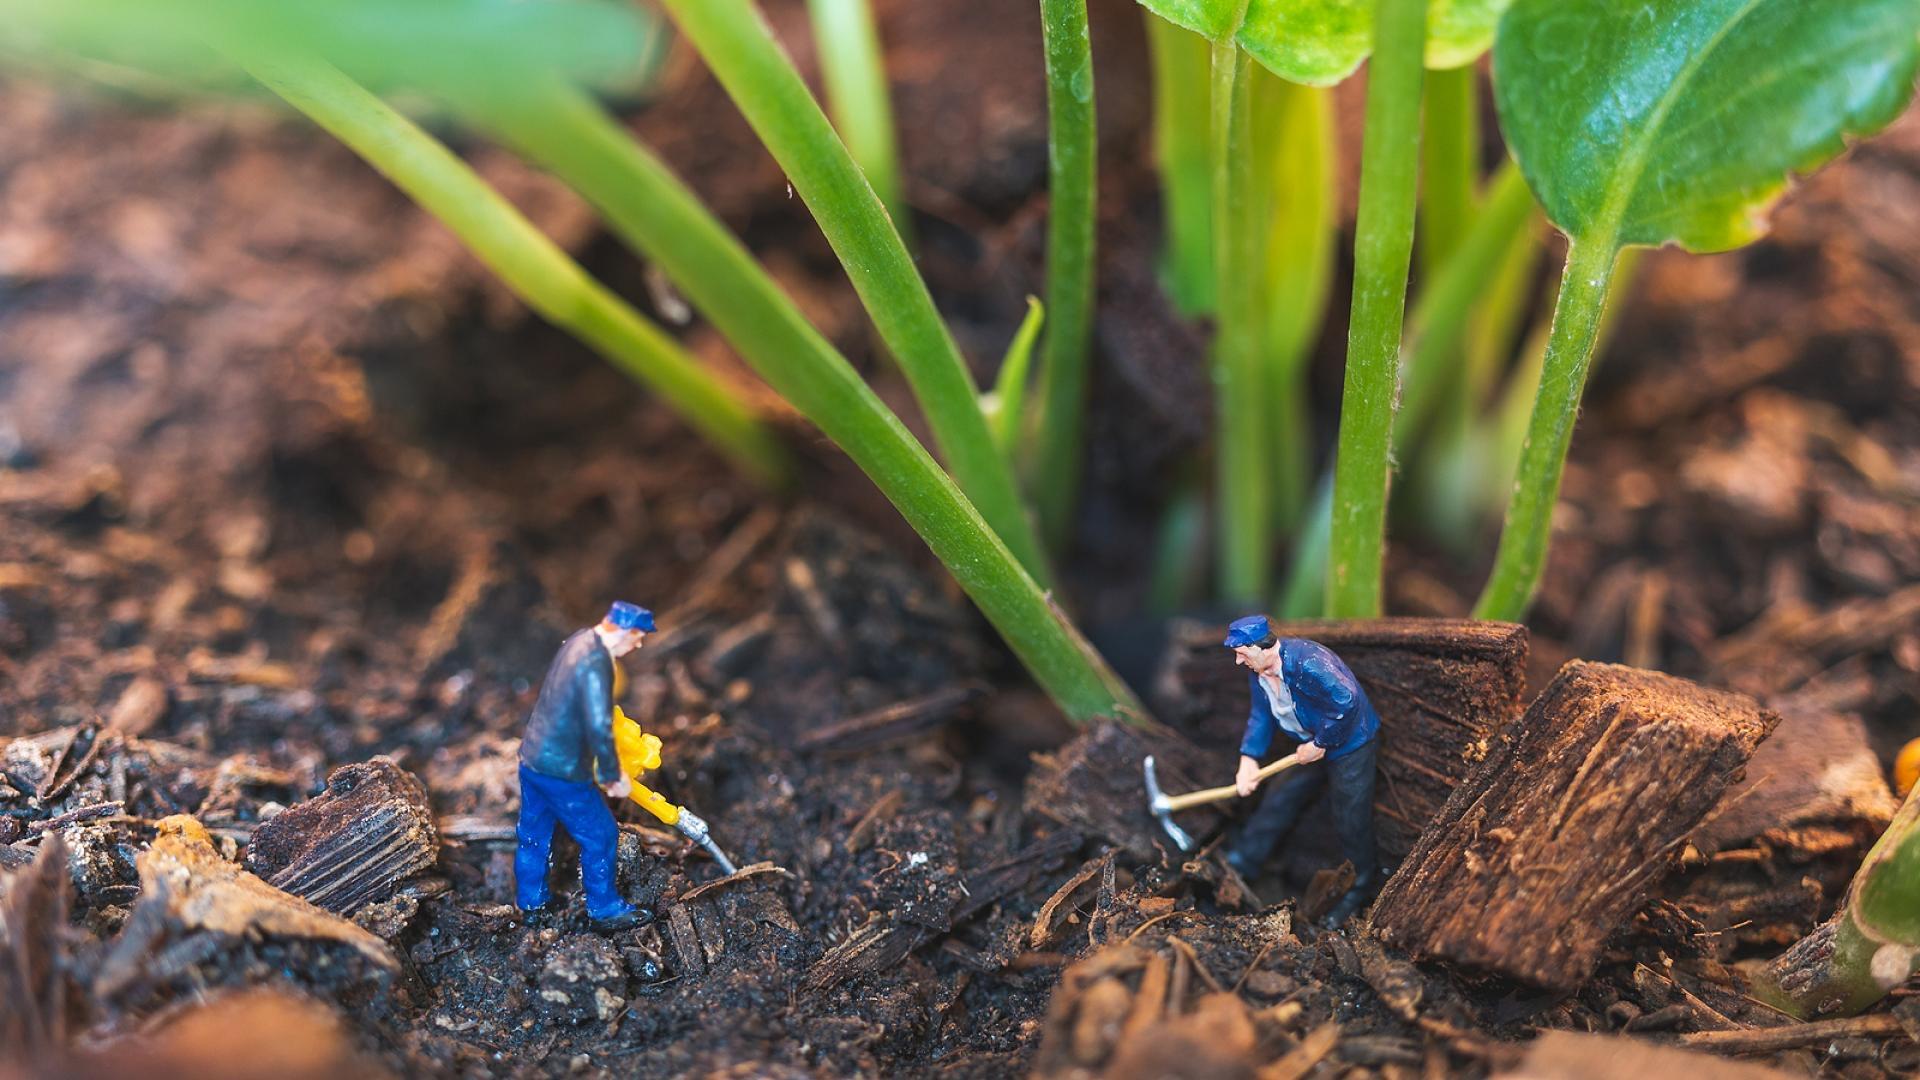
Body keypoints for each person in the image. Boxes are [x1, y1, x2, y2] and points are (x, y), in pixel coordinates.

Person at [1222, 614, 1381, 926]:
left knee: (1350, 817)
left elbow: (1346, 703)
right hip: (1306, 745)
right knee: (1281, 794)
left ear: (1261, 648)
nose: (1238, 662)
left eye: (1241, 653)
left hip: (1350, 744)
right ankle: (1245, 858)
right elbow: (1260, 716)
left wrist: (1321, 743)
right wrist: (1248, 758)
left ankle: (1360, 886)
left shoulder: (1307, 663)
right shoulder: (1258, 674)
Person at [514, 600, 654, 928]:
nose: (639, 644)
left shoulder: (578, 640)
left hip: (532, 757)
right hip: (562, 772)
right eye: (638, 637)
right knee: (602, 836)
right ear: (623, 632)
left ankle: (531, 902)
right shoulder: (597, 663)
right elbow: (598, 726)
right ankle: (604, 909)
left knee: (533, 834)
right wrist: (611, 774)